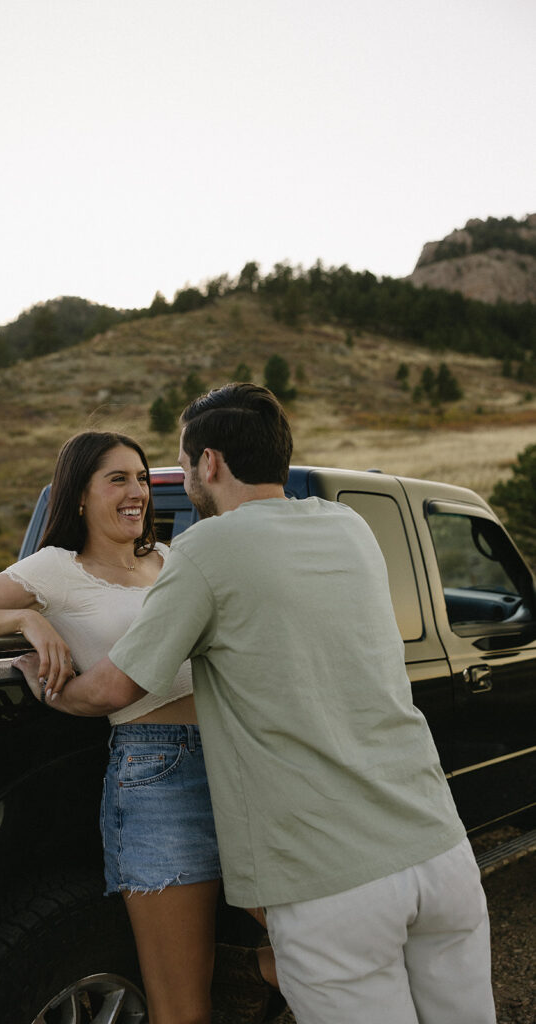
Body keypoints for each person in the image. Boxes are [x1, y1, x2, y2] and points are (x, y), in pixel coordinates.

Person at [40, 385, 497, 1024]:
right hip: (439, 853)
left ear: (211, 464)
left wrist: (43, 676)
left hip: (330, 880)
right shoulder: (351, 528)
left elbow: (115, 689)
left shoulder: (206, 549)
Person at [0, 430, 277, 1024]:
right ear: (79, 496)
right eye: (118, 479)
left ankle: (250, 970)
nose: (138, 492)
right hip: (157, 777)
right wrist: (24, 617)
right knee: (183, 1004)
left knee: (322, 936)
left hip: (238, 761)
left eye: (144, 478)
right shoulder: (55, 570)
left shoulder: (172, 559)